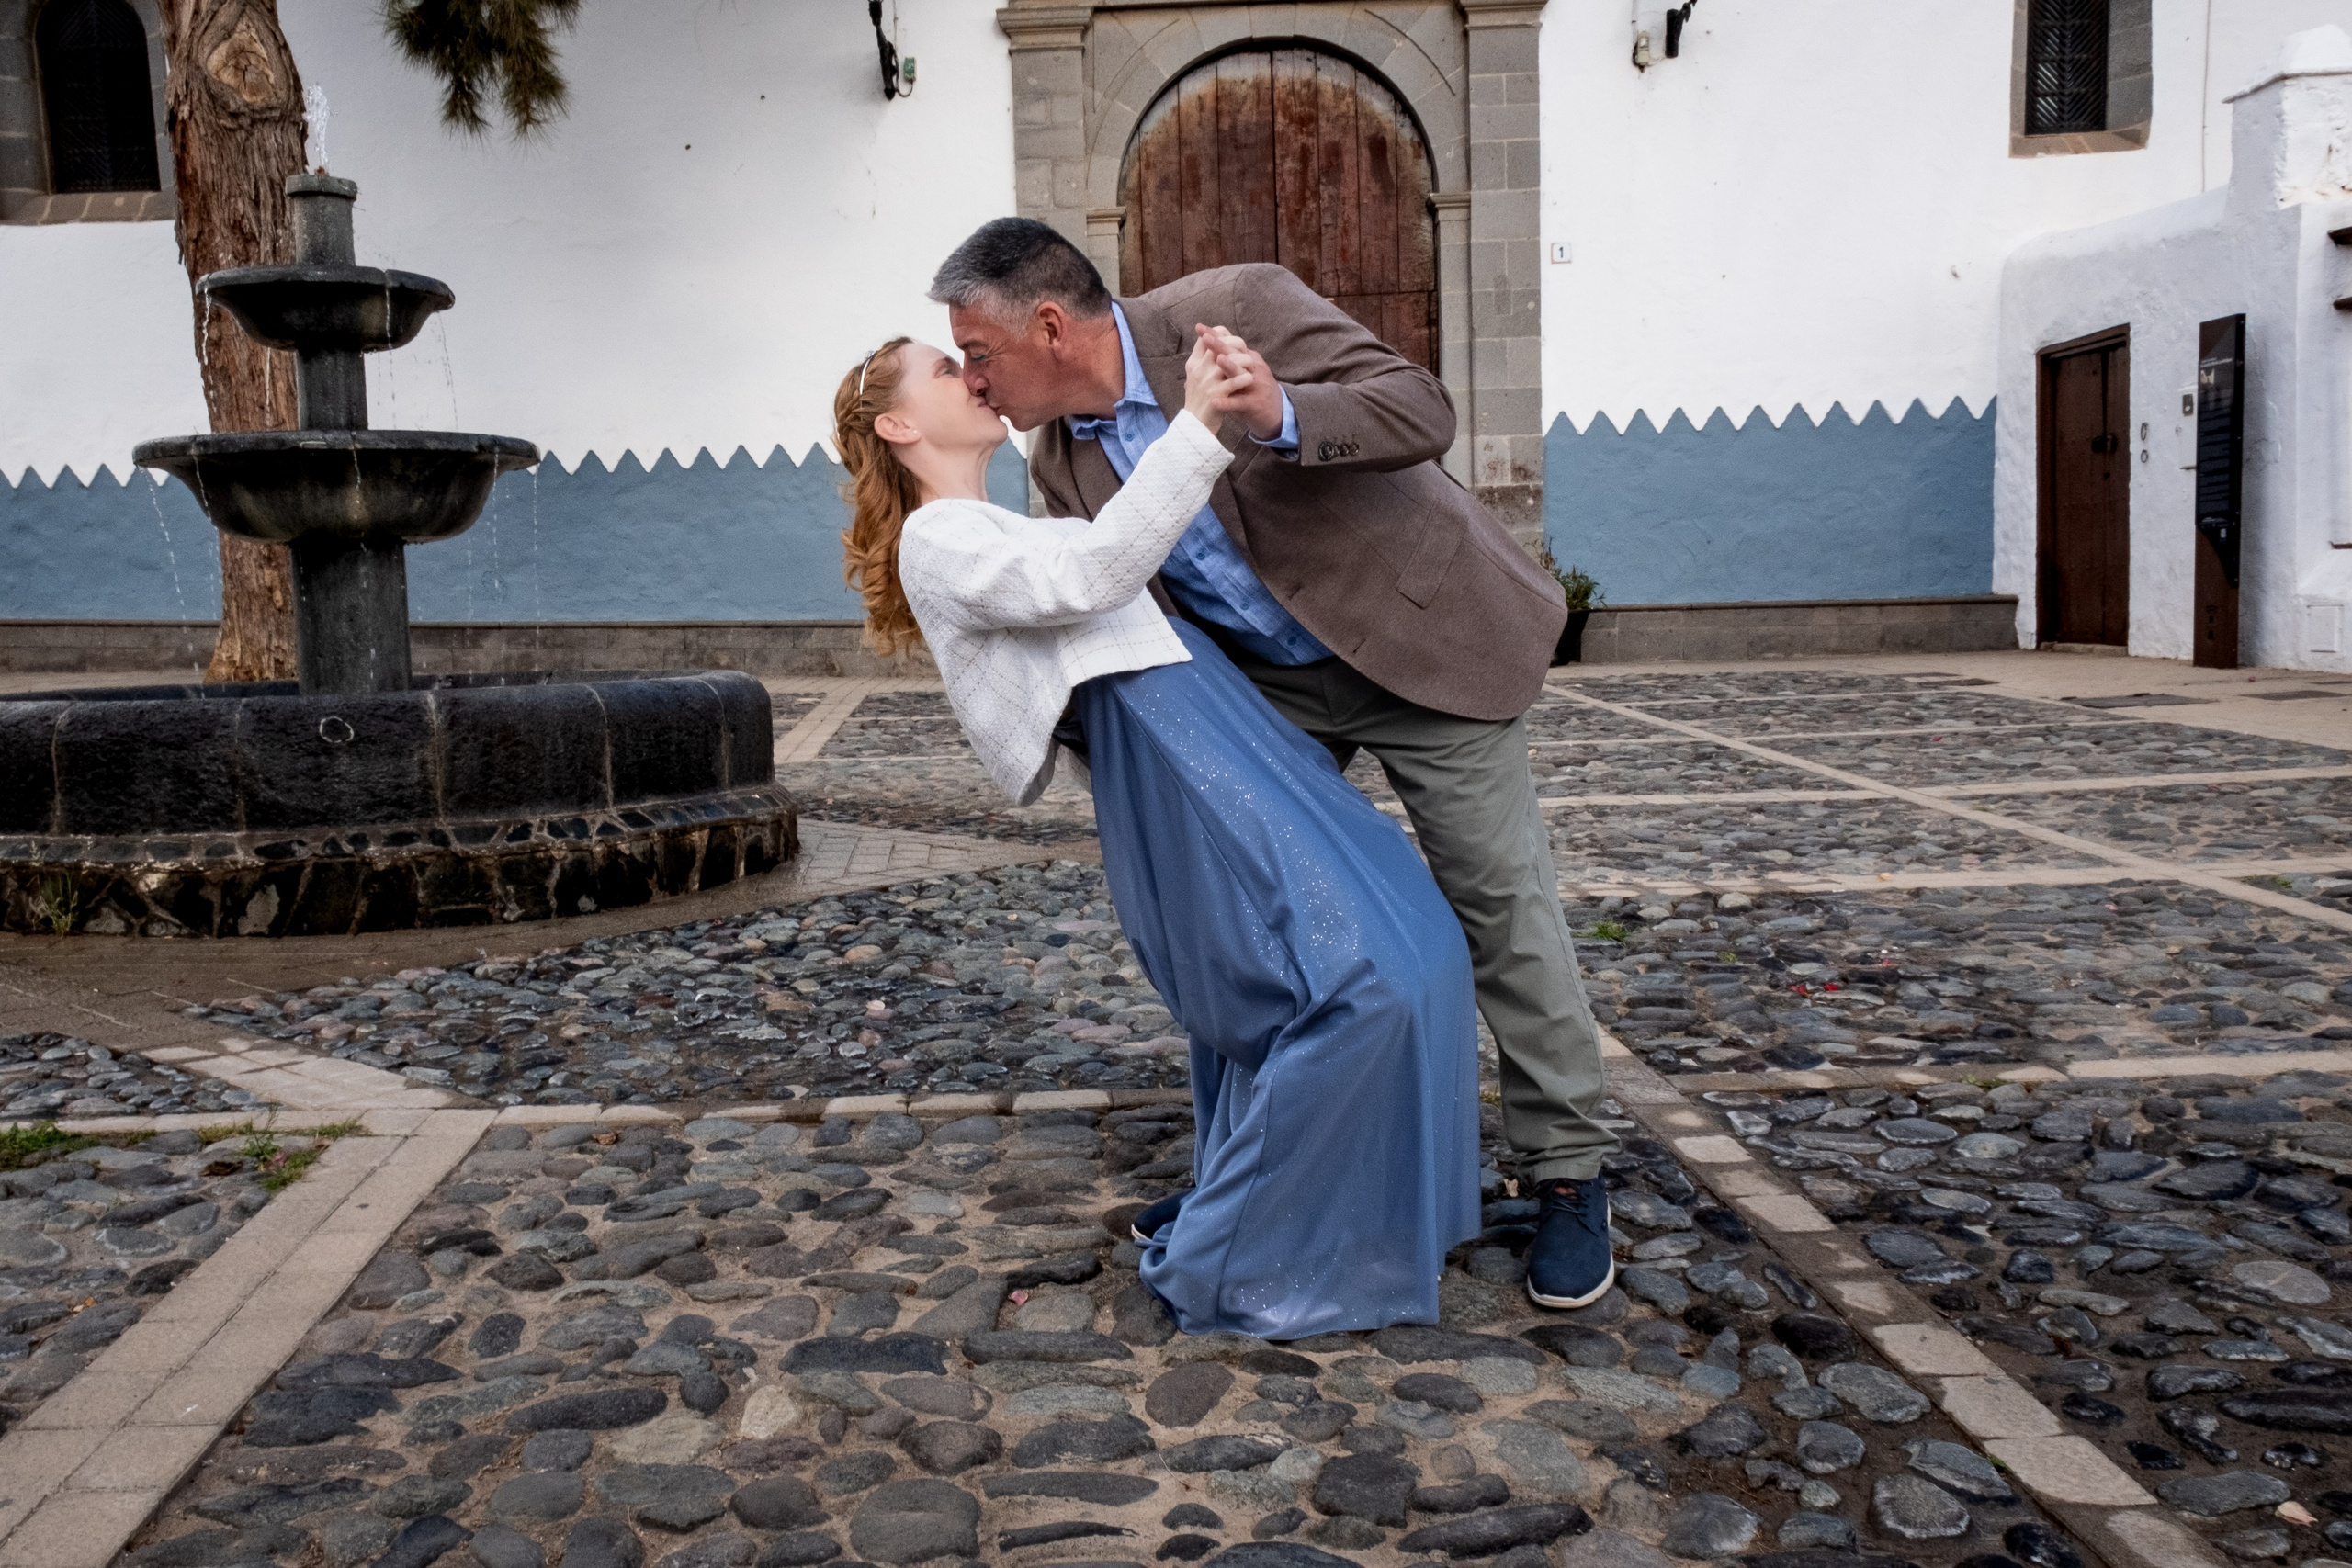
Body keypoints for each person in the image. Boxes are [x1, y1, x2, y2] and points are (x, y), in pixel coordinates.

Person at [927, 217, 1618, 1309]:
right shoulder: (1059, 457)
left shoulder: (1238, 305)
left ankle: (1567, 1169)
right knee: (1249, 919)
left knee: (1498, 901)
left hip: (1421, 638)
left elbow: (1420, 410)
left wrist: (1281, 412)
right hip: (1270, 688)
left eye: (979, 353)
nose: (971, 379)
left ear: (1049, 326)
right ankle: (1252, 1176)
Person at [831, 327, 1479, 1338]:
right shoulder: (937, 538)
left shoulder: (990, 522)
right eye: (948, 370)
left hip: (1201, 713)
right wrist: (1201, 421)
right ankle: (1240, 1252)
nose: (975, 376)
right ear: (899, 425)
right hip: (1168, 736)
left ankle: (1364, 1216)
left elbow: (1101, 570)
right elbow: (1093, 575)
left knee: (1410, 940)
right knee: (1362, 976)